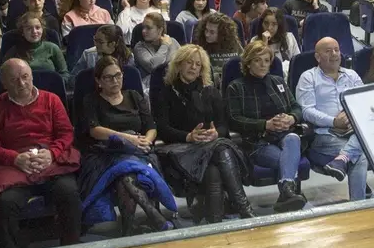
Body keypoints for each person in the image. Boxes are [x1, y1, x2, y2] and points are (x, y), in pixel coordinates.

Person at [0, 59, 81, 248]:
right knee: (5, 201)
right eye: (14, 79)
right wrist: (15, 158)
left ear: (32, 76)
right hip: (15, 166)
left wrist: (52, 153)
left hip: (50, 161)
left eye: (25, 77)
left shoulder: (51, 100)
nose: (22, 83)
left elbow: (66, 133)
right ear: (4, 83)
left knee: (68, 191)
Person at [154, 45, 254, 223]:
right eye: (189, 63)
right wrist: (188, 136)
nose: (193, 68)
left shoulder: (210, 91)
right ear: (178, 65)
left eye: (198, 65)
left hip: (209, 146)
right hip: (180, 150)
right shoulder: (165, 92)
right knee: (221, 151)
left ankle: (215, 221)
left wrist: (216, 133)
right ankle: (243, 207)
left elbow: (223, 125)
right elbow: (162, 129)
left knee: (215, 165)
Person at [78, 56, 175, 235]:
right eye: (108, 77)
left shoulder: (134, 96)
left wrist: (147, 140)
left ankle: (128, 229)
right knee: (126, 172)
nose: (115, 80)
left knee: (126, 176)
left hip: (139, 150)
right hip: (106, 153)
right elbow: (94, 130)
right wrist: (129, 139)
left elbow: (151, 126)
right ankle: (153, 216)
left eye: (118, 75)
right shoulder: (91, 100)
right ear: (99, 81)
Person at [227, 39, 307, 212]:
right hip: (257, 142)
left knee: (293, 138)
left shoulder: (278, 81)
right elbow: (233, 119)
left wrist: (291, 118)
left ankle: (286, 193)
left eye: (266, 60)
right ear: (248, 63)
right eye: (257, 60)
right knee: (288, 161)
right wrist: (265, 125)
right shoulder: (236, 87)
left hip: (285, 135)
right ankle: (287, 191)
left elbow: (296, 107)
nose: (263, 65)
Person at [297, 37, 369, 199]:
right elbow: (307, 111)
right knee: (360, 157)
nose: (334, 54)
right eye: (328, 51)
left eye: (336, 49)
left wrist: (351, 117)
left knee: (364, 134)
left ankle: (342, 159)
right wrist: (333, 121)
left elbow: (363, 102)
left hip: (353, 132)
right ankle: (359, 206)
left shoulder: (352, 75)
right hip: (325, 135)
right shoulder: (308, 77)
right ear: (317, 57)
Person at [4, 12, 68, 82]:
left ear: (42, 29)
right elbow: (5, 77)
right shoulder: (14, 52)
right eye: (29, 29)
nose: (34, 31)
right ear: (22, 32)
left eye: (38, 27)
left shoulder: (53, 48)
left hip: (50, 89)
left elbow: (64, 74)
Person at [132, 13, 180, 85]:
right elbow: (154, 67)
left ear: (160, 30)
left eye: (148, 28)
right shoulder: (139, 47)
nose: (143, 31)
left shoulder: (173, 42)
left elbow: (183, 62)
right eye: (143, 27)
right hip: (152, 86)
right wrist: (165, 45)